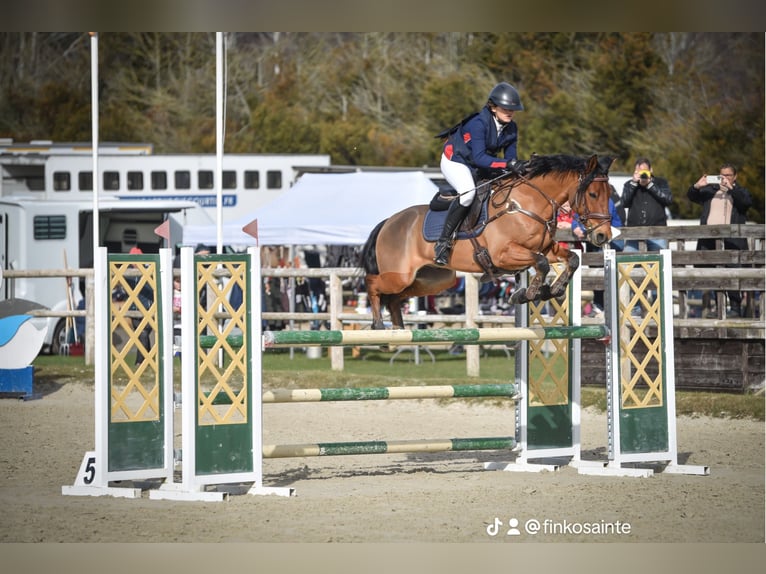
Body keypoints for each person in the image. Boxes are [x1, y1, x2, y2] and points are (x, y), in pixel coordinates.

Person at [433, 82, 527, 266]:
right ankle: (443, 243)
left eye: (513, 109)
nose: (510, 112)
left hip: (478, 163)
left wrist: (518, 167)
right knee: (468, 194)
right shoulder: (479, 124)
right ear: (493, 107)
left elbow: (510, 159)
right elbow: (479, 158)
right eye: (505, 108)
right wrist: (508, 164)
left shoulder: (512, 128)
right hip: (456, 161)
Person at [687, 162, 753, 318]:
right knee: (714, 274)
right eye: (721, 175)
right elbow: (691, 196)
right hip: (710, 241)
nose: (724, 178)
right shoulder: (711, 191)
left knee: (732, 273)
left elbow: (746, 203)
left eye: (728, 175)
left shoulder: (739, 192)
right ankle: (719, 307)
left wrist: (731, 188)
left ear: (734, 176)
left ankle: (735, 308)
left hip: (732, 242)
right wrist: (697, 185)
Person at [621, 157, 672, 251]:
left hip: (657, 233)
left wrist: (650, 185)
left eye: (644, 171)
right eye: (638, 172)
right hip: (634, 233)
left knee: (657, 264)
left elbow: (668, 200)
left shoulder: (661, 183)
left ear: (651, 170)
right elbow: (624, 203)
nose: (642, 174)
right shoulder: (629, 184)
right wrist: (633, 184)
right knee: (627, 263)